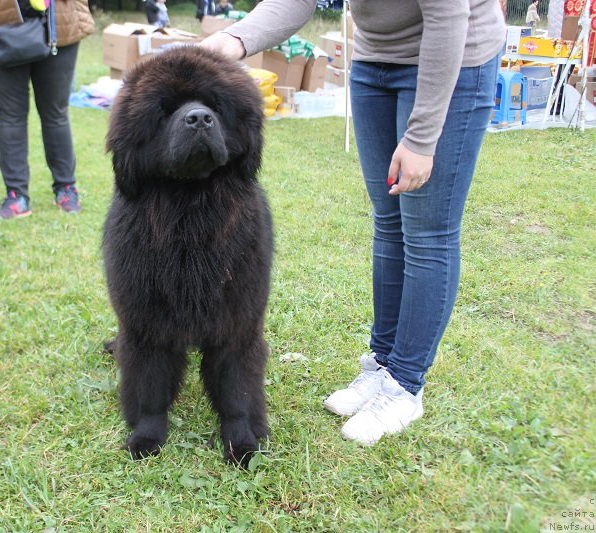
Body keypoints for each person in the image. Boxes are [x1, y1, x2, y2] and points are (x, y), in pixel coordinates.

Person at [202, 0, 505, 445]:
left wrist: (422, 138)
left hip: (451, 60)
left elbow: (446, 15)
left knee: (427, 233)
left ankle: (404, 385)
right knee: (389, 222)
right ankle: (382, 364)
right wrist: (234, 39)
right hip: (375, 63)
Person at [0, 0, 95, 219]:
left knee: (56, 114)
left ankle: (66, 188)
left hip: (59, 25)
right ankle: (16, 195)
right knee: (10, 116)